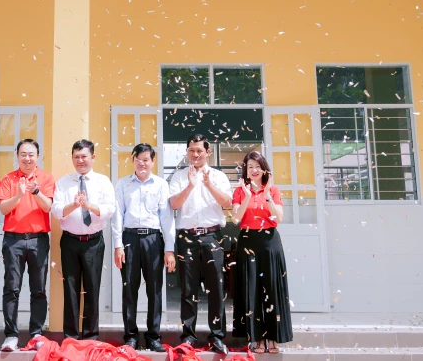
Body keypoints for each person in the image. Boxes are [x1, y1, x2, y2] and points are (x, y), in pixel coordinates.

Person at [168, 134, 233, 355]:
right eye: (191, 150)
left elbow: (228, 203)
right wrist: (190, 185)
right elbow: (173, 204)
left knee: (216, 287)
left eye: (199, 150)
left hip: (212, 236)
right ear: (187, 152)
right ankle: (188, 336)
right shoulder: (179, 176)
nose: (195, 154)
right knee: (188, 289)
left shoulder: (218, 176)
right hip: (187, 238)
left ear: (208, 152)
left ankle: (217, 336)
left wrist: (208, 184)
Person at [111, 143, 176, 353]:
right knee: (129, 289)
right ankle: (130, 336)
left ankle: (153, 337)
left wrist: (169, 249)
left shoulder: (160, 185)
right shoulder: (123, 184)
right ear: (133, 161)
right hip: (129, 238)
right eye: (138, 160)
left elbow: (167, 218)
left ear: (153, 162)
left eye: (146, 160)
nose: (142, 164)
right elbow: (117, 216)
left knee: (154, 290)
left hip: (153, 239)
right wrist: (118, 245)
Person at [53, 139, 116, 340]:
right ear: (72, 158)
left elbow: (110, 209)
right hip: (70, 242)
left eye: (84, 156)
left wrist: (88, 206)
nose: (80, 160)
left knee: (92, 288)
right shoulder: (63, 182)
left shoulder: (103, 181)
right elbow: (56, 210)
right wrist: (74, 205)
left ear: (93, 157)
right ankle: (70, 336)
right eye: (76, 157)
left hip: (93, 242)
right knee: (70, 289)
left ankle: (90, 336)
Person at [0, 138, 56, 352]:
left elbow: (48, 207)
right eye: (23, 154)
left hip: (39, 239)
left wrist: (35, 191)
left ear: (37, 156)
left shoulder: (46, 179)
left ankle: (36, 333)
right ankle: (11, 335)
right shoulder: (8, 179)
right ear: (17, 155)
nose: (27, 158)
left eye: (31, 154)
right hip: (14, 240)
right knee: (11, 288)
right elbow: (3, 209)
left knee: (38, 289)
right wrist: (19, 194)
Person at [231, 151, 292, 354]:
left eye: (257, 166)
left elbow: (278, 218)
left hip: (269, 242)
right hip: (248, 241)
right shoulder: (239, 191)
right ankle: (256, 337)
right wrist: (247, 196)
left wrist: (267, 197)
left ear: (264, 169)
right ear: (245, 171)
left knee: (272, 288)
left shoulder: (273, 190)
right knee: (252, 289)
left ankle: (273, 337)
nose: (254, 170)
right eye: (250, 167)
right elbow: (235, 219)